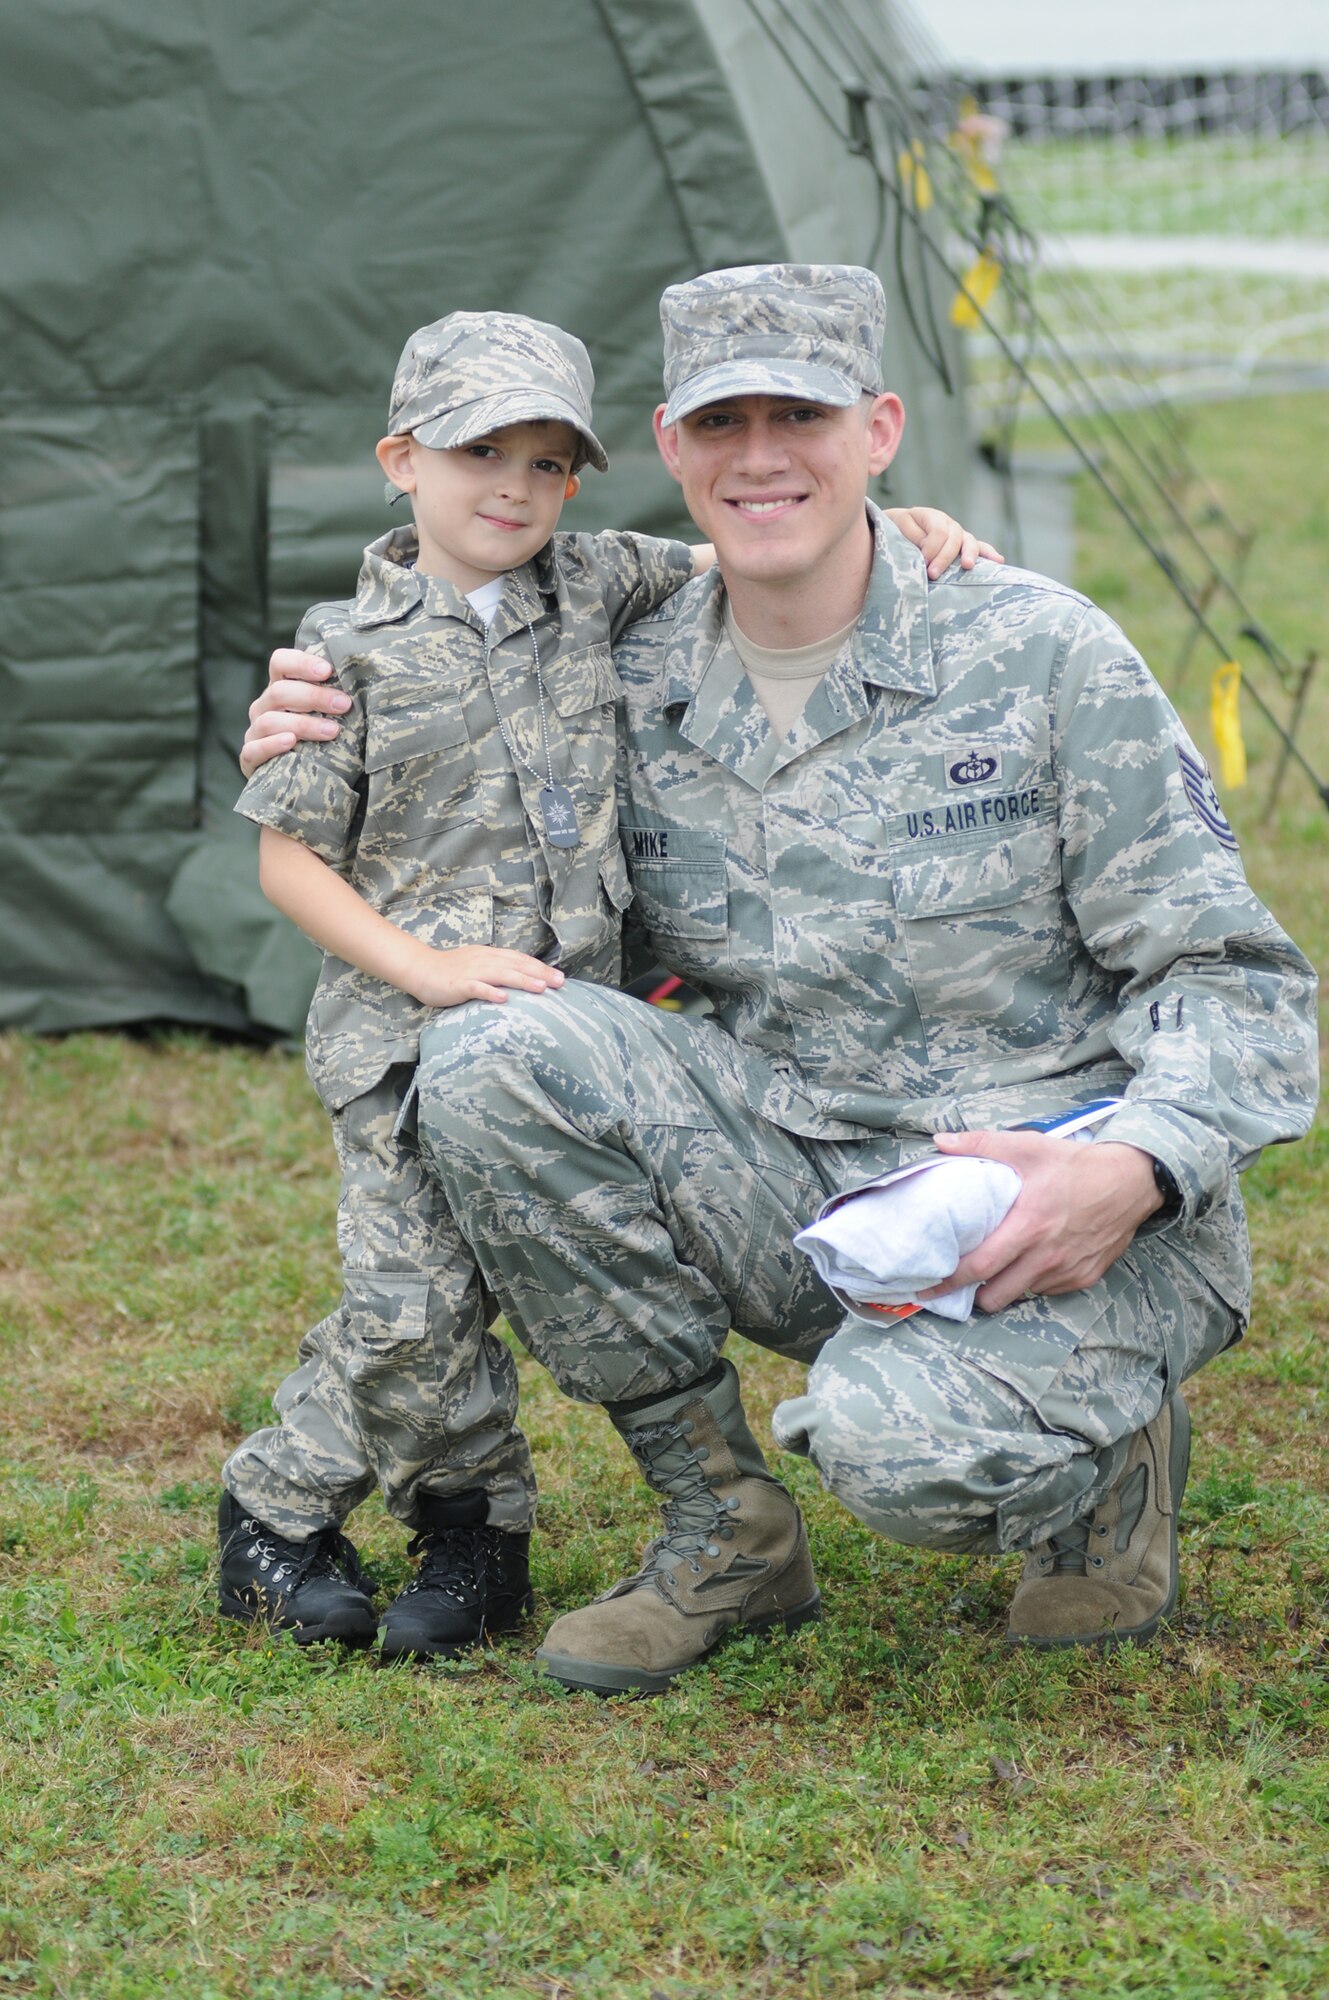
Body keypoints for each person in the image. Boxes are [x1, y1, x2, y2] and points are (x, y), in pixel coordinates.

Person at [240, 264, 1313, 1699]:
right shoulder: (615, 671)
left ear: (878, 430)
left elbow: (1238, 980)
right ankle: (722, 1527)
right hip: (797, 1173)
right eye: (720, 423)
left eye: (799, 417)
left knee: (902, 1453)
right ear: (670, 449)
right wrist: (314, 719)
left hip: (1048, 1197)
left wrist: (1134, 1173)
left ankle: (1106, 1451)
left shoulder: (1037, 651)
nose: (759, 458)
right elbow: (454, 740)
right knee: (490, 1052)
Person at [224, 299, 990, 1664]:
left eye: (546, 463)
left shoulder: (596, 583)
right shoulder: (345, 652)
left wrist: (902, 525)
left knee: (481, 1281)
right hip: (403, 1037)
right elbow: (289, 860)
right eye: (479, 454)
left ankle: (471, 1537)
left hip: (561, 1037)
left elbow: (751, 542)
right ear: (402, 461)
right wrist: (425, 970)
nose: (514, 489)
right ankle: (284, 1511)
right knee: (418, 1303)